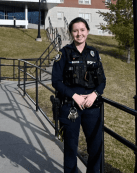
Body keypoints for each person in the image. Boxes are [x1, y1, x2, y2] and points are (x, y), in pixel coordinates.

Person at [52, 17, 106, 173]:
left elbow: (102, 81)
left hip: (92, 107)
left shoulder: (94, 53)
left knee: (95, 148)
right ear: (71, 33)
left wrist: (94, 94)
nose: (79, 34)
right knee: (70, 148)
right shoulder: (64, 53)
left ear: (87, 31)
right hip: (70, 106)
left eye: (82, 30)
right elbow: (56, 81)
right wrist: (74, 95)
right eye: (75, 31)